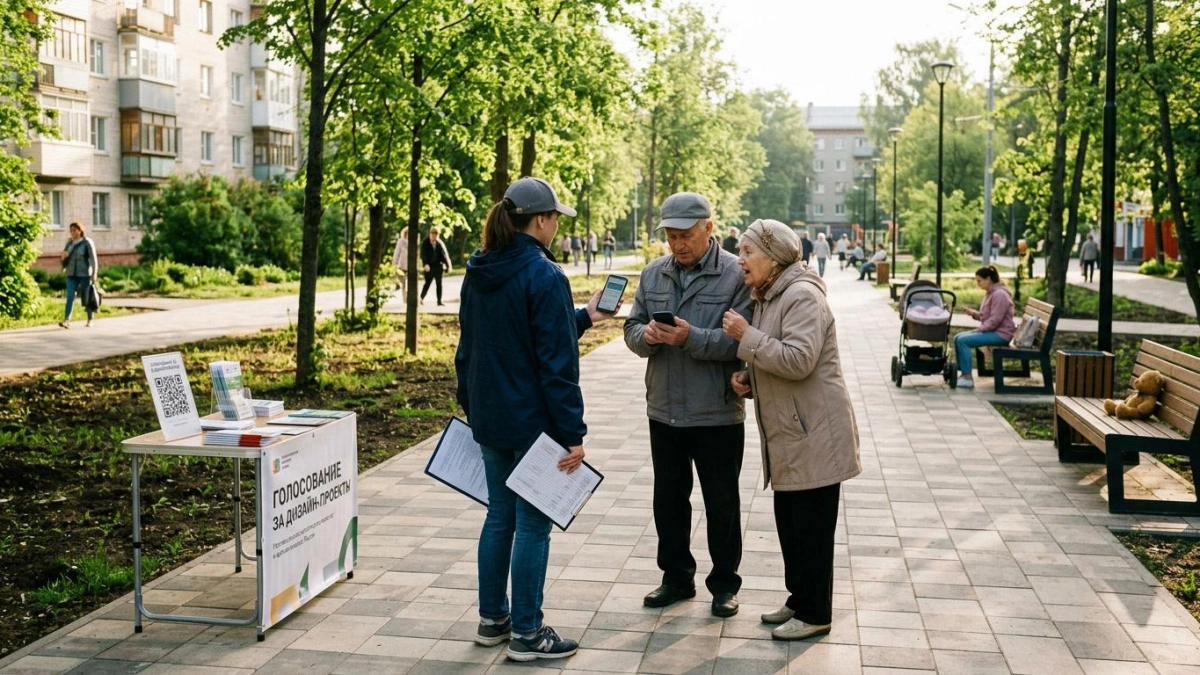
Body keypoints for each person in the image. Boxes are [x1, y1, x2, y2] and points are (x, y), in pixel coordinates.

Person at [456, 176, 619, 662]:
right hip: (533, 425)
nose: (556, 227)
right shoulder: (546, 276)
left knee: (499, 516)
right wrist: (573, 434)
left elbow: (473, 347)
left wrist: (585, 317)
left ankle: (493, 620)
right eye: (555, 219)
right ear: (543, 221)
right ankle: (528, 633)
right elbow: (557, 366)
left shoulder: (480, 270)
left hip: (490, 417)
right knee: (532, 525)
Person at [720, 218, 861, 641]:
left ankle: (816, 612)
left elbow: (799, 360)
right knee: (791, 525)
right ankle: (800, 599)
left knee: (812, 531)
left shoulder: (801, 296)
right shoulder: (768, 295)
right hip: (792, 434)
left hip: (815, 434)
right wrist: (750, 377)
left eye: (747, 253)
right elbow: (776, 356)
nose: (739, 260)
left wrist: (745, 337)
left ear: (774, 258)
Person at [623, 191, 752, 618]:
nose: (677, 244)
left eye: (685, 235)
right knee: (669, 500)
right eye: (671, 236)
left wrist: (690, 338)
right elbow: (632, 327)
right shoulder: (653, 274)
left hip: (716, 412)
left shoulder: (737, 276)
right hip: (664, 409)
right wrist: (647, 337)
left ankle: (724, 585)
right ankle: (676, 578)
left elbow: (743, 343)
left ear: (709, 228)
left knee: (721, 502)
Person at [954, 266, 1017, 390]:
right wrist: (973, 313)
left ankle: (967, 378)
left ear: (988, 279)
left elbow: (995, 321)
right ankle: (963, 374)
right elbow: (987, 316)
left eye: (979, 281)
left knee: (963, 340)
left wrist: (978, 330)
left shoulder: (1000, 294)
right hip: (994, 332)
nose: (978, 284)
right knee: (957, 337)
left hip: (1001, 335)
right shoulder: (991, 293)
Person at [60, 221, 98, 329]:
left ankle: (90, 319)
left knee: (86, 297)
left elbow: (93, 259)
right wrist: (63, 259)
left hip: (85, 274)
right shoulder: (69, 243)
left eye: (74, 230)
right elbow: (64, 257)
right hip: (71, 274)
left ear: (80, 231)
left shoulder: (87, 242)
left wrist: (94, 273)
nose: (72, 232)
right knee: (70, 296)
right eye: (71, 230)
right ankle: (67, 320)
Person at [420, 227, 452, 305]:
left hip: (438, 266)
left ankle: (439, 301)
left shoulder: (439, 243)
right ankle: (421, 298)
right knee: (427, 283)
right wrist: (425, 264)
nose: (434, 236)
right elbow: (423, 254)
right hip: (429, 266)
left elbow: (444, 255)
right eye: (432, 234)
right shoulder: (425, 243)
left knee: (439, 284)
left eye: (435, 234)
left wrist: (447, 266)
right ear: (429, 234)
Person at [391, 227, 409, 298]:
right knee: (404, 283)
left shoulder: (414, 243)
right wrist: (394, 264)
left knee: (408, 284)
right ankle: (405, 299)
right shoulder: (401, 242)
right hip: (402, 266)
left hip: (410, 266)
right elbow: (397, 253)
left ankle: (408, 298)